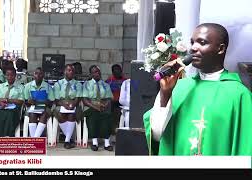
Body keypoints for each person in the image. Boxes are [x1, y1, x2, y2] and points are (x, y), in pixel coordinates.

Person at [143, 23, 252, 155]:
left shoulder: (239, 95)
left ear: (221, 49)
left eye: (202, 42)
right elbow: (156, 134)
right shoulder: (179, 88)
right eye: (192, 42)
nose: (193, 48)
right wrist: (165, 94)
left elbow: (245, 149)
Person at [83, 65, 113, 151]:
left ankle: (107, 143)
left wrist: (105, 105)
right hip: (90, 107)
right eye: (95, 72)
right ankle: (94, 142)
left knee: (107, 116)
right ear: (91, 74)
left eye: (98, 71)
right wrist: (96, 107)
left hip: (103, 107)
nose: (98, 73)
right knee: (93, 115)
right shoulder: (86, 84)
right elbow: (85, 100)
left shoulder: (105, 85)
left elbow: (108, 98)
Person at [53, 64, 83, 149]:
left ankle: (66, 141)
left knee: (71, 114)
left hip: (74, 105)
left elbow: (78, 97)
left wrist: (73, 104)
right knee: (60, 113)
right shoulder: (58, 84)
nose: (71, 72)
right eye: (69, 70)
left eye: (73, 71)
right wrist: (64, 105)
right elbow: (56, 99)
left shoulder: (78, 84)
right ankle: (70, 139)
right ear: (65, 71)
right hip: (61, 104)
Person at [0, 67, 24, 137]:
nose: (10, 77)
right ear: (5, 76)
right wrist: (0, 102)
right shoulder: (0, 86)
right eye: (8, 75)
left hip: (14, 109)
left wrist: (8, 100)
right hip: (1, 108)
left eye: (12, 75)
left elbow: (21, 101)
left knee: (9, 115)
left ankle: (8, 137)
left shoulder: (20, 87)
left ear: (15, 76)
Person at [24, 67, 55, 137]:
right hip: (32, 107)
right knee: (32, 114)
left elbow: (51, 102)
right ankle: (35, 140)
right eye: (36, 73)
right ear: (33, 75)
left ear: (43, 76)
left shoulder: (48, 87)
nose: (38, 75)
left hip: (45, 108)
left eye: (40, 74)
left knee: (44, 114)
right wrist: (29, 101)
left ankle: (34, 139)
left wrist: (41, 102)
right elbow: (26, 102)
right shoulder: (28, 86)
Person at [106, 64, 127, 134]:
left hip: (123, 102)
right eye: (116, 70)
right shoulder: (109, 81)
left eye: (119, 70)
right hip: (113, 102)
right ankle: (113, 130)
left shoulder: (126, 81)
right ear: (113, 72)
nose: (118, 72)